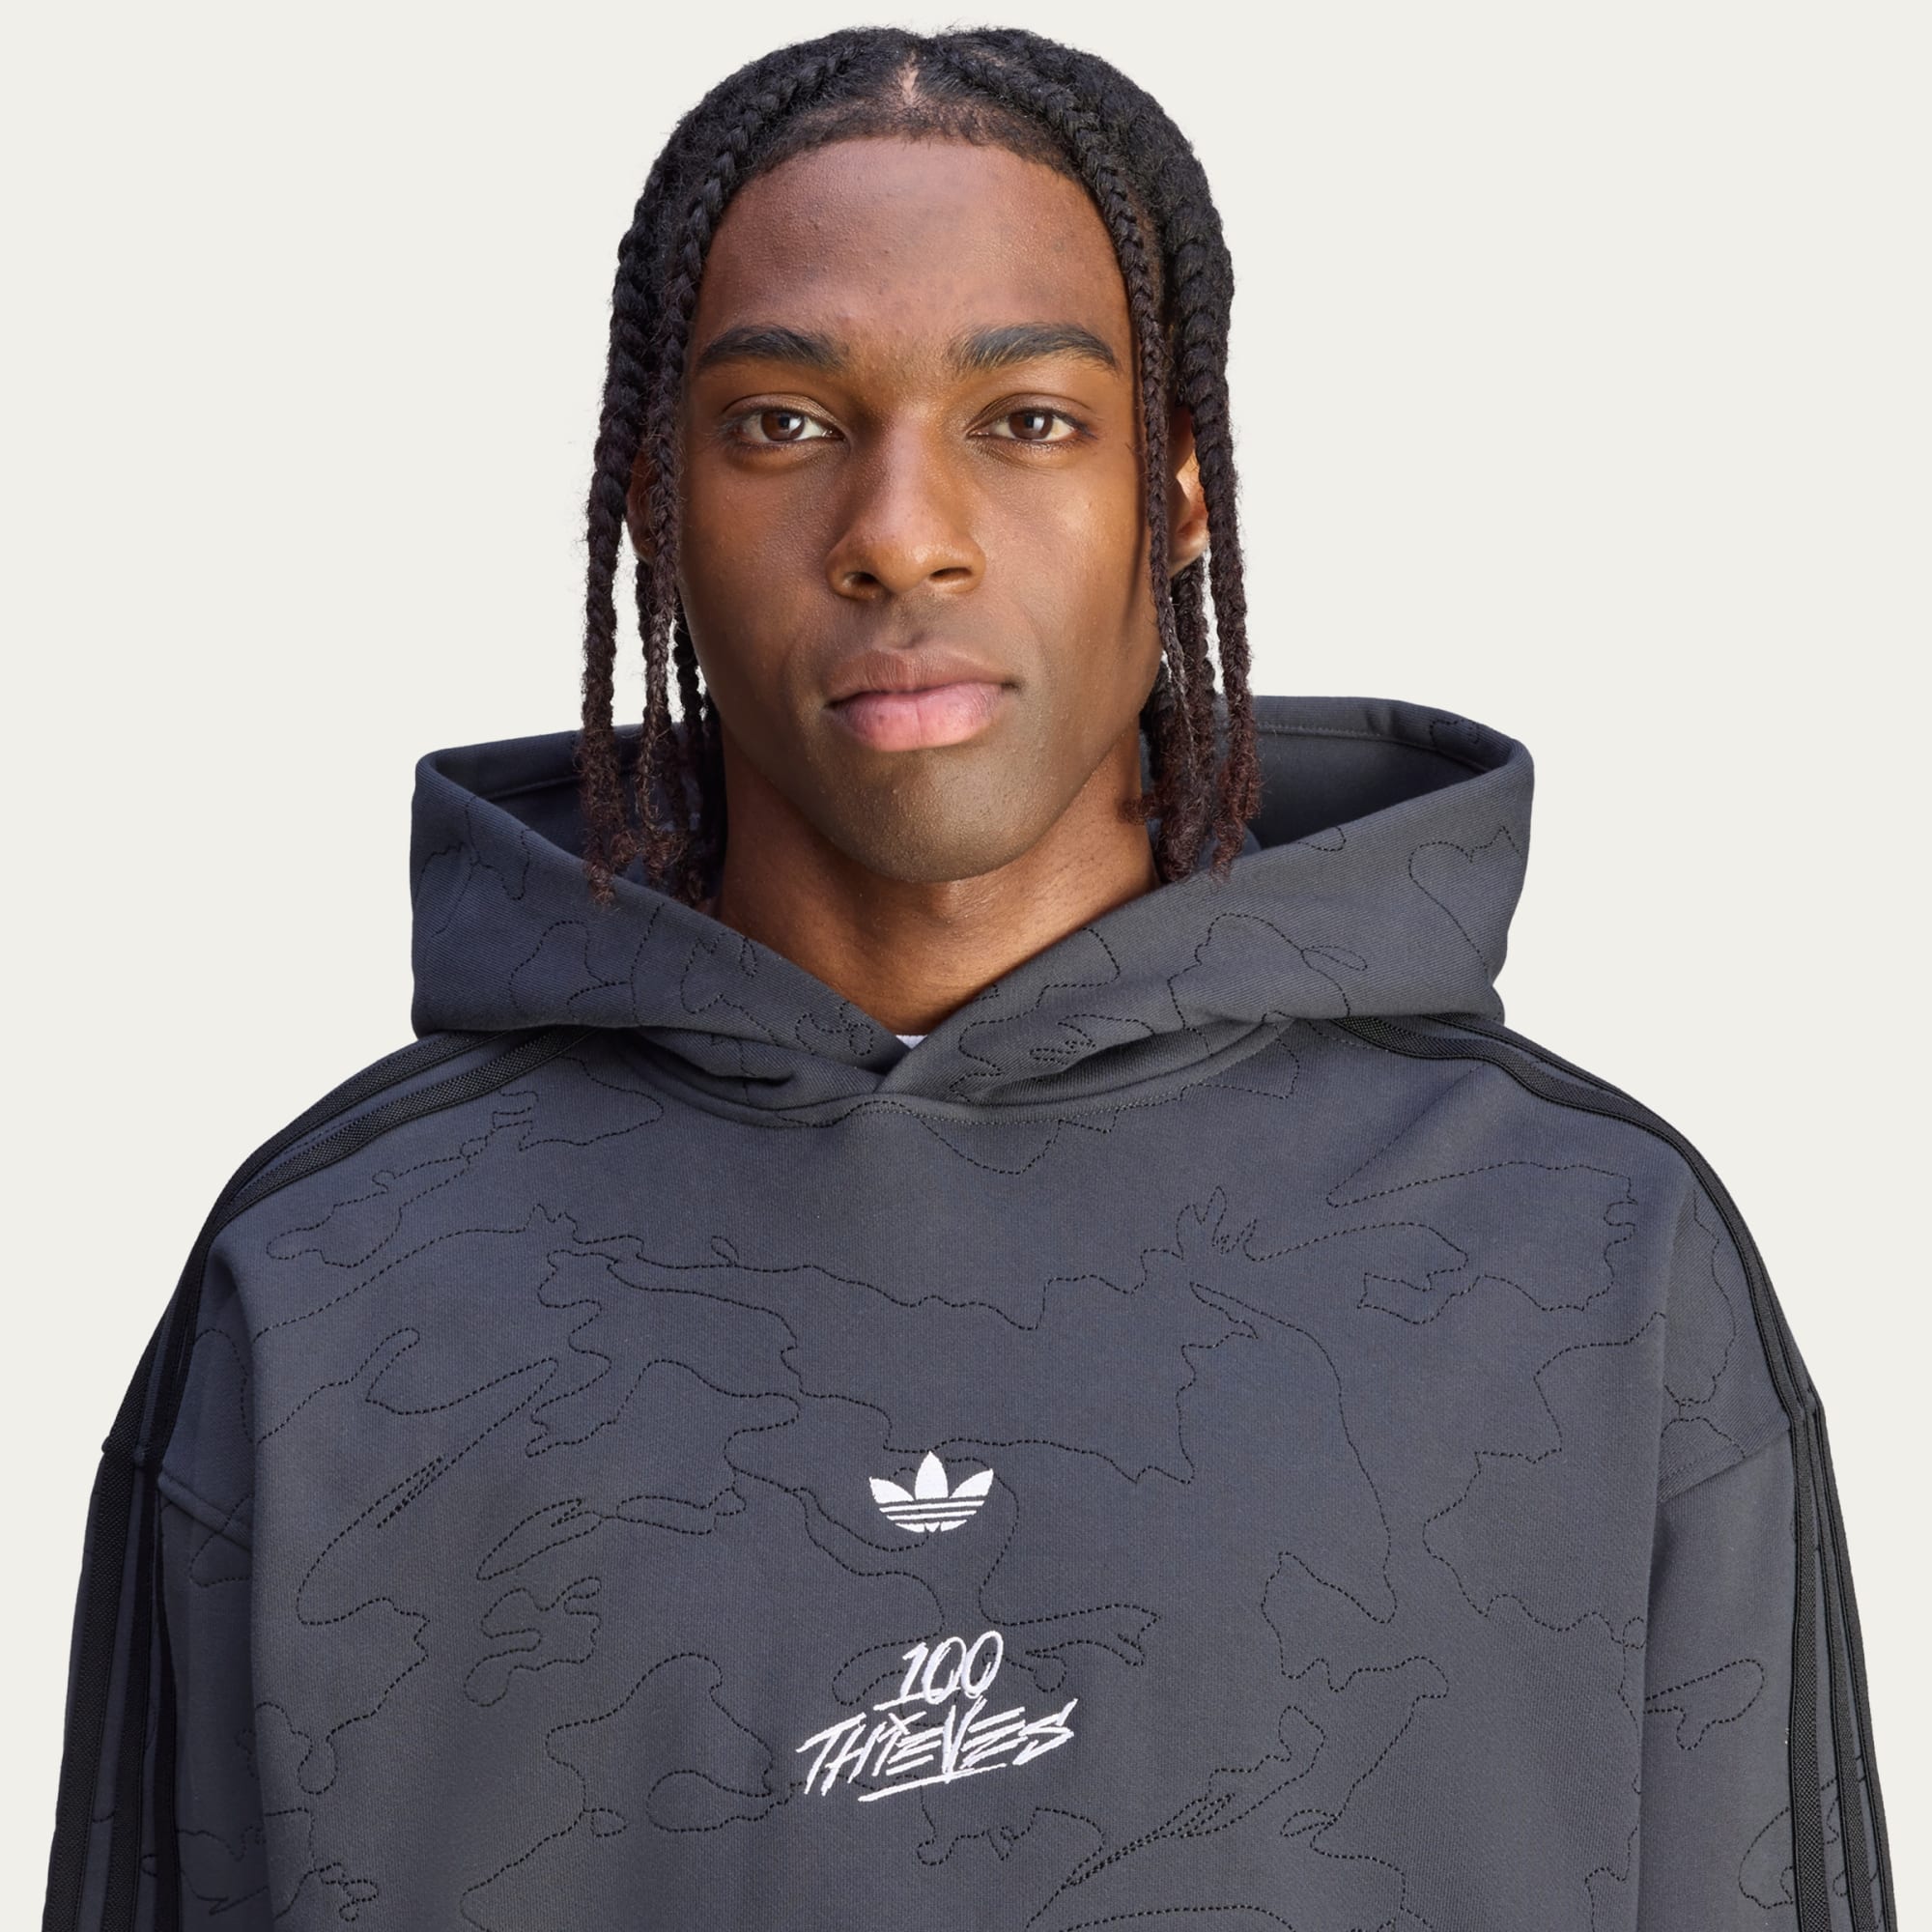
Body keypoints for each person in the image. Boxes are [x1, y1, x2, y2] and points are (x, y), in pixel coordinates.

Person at [42, 25, 1895, 1931]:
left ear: (1178, 489)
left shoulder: (1586, 1263)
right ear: (654, 505)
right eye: (783, 423)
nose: (902, 536)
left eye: (1027, 421)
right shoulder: (331, 1285)